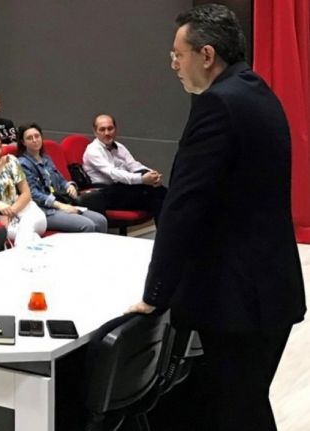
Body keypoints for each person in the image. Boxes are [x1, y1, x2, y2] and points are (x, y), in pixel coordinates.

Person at [128, 5, 306, 431]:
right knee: (234, 407)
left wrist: (155, 294)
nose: (174, 64)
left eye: (178, 54)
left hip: (236, 300)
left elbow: (183, 206)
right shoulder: (258, 92)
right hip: (269, 288)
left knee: (236, 412)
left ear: (206, 55)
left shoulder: (217, 105)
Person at [17, 123, 107, 233]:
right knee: (87, 225)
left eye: (37, 136)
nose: (35, 140)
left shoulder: (46, 158)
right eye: (29, 138)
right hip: (43, 210)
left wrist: (69, 185)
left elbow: (60, 179)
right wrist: (60, 206)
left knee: (101, 221)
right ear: (23, 142)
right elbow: (33, 194)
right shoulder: (22, 164)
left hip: (61, 202)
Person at [83, 114, 167, 220]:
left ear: (115, 129)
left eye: (110, 128)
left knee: (160, 194)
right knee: (155, 197)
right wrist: (142, 179)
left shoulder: (120, 147)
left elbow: (134, 165)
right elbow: (113, 174)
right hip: (104, 193)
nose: (107, 133)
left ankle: (168, 229)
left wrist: (152, 175)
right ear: (95, 132)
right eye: (102, 129)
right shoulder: (92, 150)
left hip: (122, 188)